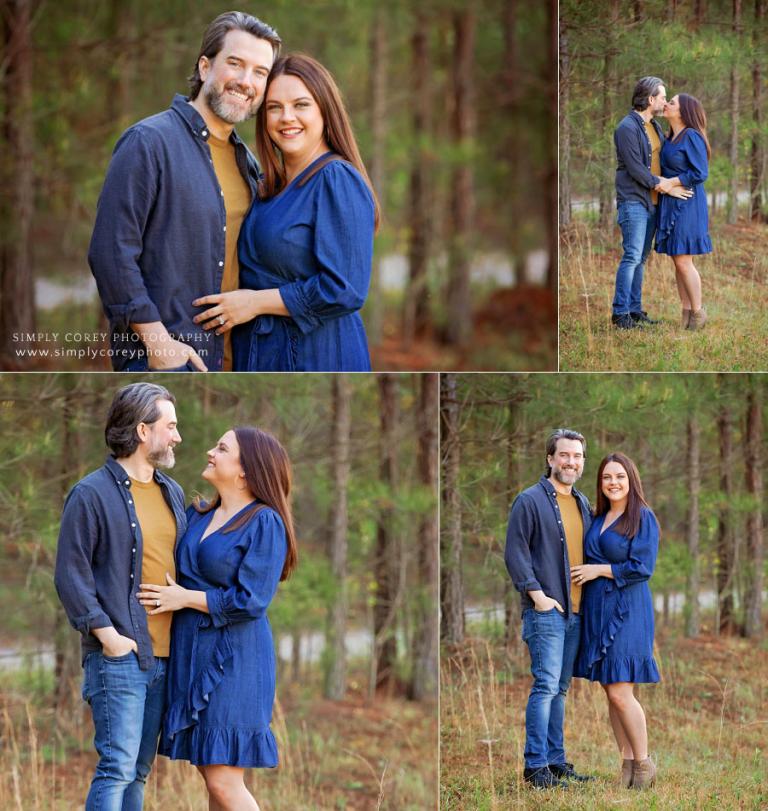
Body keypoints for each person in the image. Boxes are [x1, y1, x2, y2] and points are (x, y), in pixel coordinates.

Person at [88, 12, 281, 372]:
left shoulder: (249, 164)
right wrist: (158, 343)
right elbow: (110, 253)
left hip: (233, 361)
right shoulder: (148, 142)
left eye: (260, 72)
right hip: (165, 360)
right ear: (205, 67)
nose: (245, 81)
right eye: (235, 64)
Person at [137, 426, 298, 811]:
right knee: (214, 782)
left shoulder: (264, 522)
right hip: (192, 654)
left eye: (222, 448)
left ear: (246, 470)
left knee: (224, 782)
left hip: (235, 660)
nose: (210, 451)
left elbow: (252, 600)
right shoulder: (197, 513)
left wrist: (183, 598)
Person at [191, 54, 380, 371]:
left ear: (325, 110)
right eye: (274, 107)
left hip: (317, 355)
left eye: (301, 105)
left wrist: (253, 302)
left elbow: (345, 290)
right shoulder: (266, 187)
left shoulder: (335, 179)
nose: (286, 117)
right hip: (260, 352)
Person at [54, 383, 186, 810]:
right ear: (143, 431)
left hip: (166, 657)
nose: (177, 437)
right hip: (121, 657)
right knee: (117, 768)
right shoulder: (90, 494)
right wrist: (110, 639)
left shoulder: (173, 493)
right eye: (170, 426)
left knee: (139, 773)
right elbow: (70, 576)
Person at [504, 429, 594, 789]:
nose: (571, 462)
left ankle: (556, 763)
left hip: (576, 613)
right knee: (545, 687)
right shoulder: (529, 501)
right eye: (565, 455)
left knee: (560, 689)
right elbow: (515, 553)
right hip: (547, 612)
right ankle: (535, 767)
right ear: (550, 459)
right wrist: (538, 597)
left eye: (577, 456)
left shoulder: (582, 503)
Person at [572, 452, 660, 790]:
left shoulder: (642, 518)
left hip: (627, 610)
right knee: (611, 691)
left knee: (622, 692)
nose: (613, 482)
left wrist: (600, 569)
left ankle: (644, 764)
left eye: (620, 476)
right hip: (599, 611)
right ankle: (626, 764)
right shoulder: (599, 517)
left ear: (631, 479)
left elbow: (643, 568)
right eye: (607, 477)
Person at [612, 77, 693, 330]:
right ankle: (620, 313)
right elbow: (637, 170)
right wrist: (668, 185)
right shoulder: (627, 128)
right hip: (634, 201)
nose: (664, 101)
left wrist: (675, 182)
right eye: (662, 97)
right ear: (650, 99)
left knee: (642, 258)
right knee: (632, 256)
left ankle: (635, 311)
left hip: (652, 202)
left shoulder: (655, 127)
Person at [655, 93, 713, 330]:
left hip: (688, 203)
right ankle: (686, 313)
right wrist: (666, 185)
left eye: (672, 103)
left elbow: (701, 173)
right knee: (677, 260)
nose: (667, 105)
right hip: (671, 202)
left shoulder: (692, 137)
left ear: (684, 111)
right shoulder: (669, 137)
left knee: (683, 261)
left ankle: (698, 313)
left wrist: (672, 182)